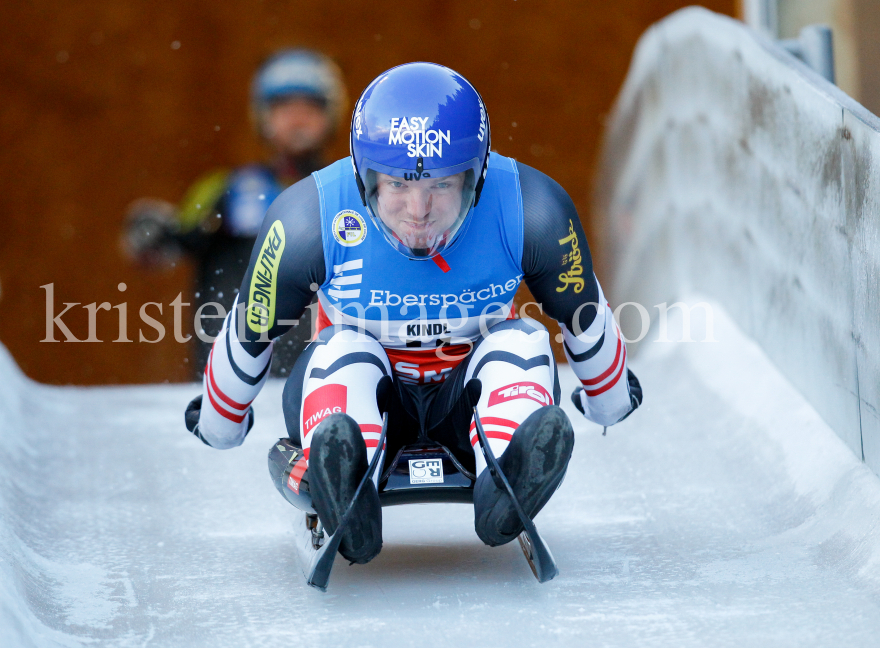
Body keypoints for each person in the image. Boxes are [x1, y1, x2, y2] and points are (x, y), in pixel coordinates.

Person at [185, 62, 642, 565]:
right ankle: (346, 480)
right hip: (366, 395)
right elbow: (254, 323)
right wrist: (220, 420)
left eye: (442, 185)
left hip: (466, 402)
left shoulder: (529, 207)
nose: (418, 210)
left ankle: (505, 485)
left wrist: (218, 424)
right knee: (343, 350)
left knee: (523, 339)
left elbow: (580, 307)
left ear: (478, 174)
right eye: (398, 185)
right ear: (364, 178)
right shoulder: (308, 216)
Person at [123, 49, 346, 377]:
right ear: (263, 116)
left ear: (331, 115)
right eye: (284, 106)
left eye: (310, 106)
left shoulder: (349, 191)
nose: (298, 118)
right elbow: (169, 243)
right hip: (231, 382)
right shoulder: (225, 189)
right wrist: (153, 232)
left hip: (323, 379)